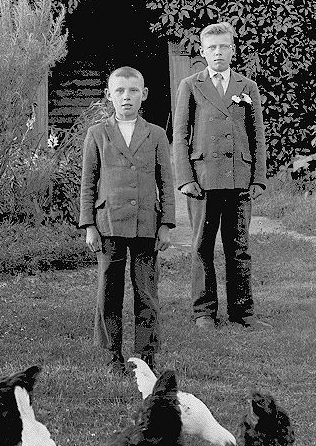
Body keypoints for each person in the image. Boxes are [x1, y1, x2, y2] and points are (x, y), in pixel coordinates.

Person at [172, 21, 268, 328]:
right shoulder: (190, 85)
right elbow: (180, 133)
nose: (218, 53)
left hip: (239, 177)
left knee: (239, 247)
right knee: (202, 246)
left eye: (224, 47)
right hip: (203, 180)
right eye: (211, 48)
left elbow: (257, 135)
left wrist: (258, 177)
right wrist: (185, 178)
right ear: (202, 51)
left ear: (233, 50)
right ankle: (204, 312)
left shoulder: (246, 87)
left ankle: (244, 313)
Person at [80, 67, 174, 376]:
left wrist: (166, 224)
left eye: (133, 90)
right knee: (110, 290)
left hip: (147, 223)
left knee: (146, 291)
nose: (126, 97)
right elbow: (88, 182)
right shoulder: (98, 133)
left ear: (143, 94)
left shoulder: (157, 134)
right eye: (119, 91)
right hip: (109, 223)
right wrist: (90, 225)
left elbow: (165, 181)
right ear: (109, 95)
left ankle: (145, 356)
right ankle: (112, 355)